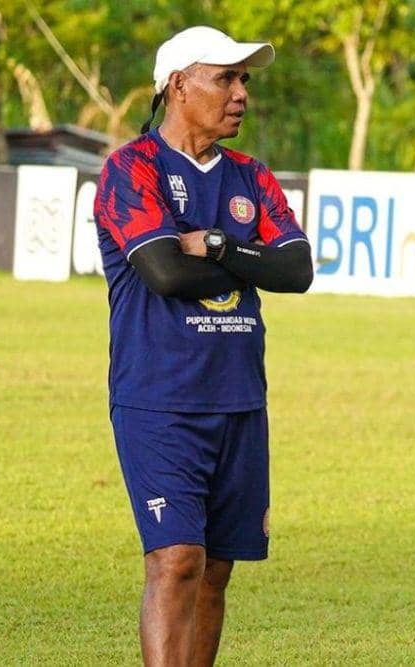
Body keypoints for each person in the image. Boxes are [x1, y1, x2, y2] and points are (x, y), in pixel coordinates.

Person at [94, 26, 313, 666]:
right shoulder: (132, 169)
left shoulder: (252, 175)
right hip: (160, 401)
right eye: (227, 77)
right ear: (178, 85)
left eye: (245, 79)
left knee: (216, 568)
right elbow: (164, 272)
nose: (241, 92)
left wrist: (217, 246)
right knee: (176, 559)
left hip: (241, 400)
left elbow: (296, 270)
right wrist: (253, 263)